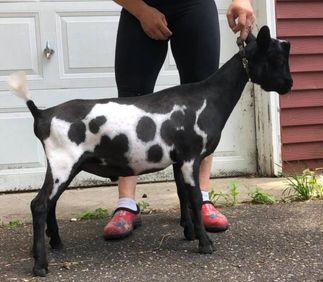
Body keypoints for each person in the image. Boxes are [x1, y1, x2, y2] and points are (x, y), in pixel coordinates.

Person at [103, 0, 255, 240]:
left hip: (194, 6)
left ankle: (201, 199)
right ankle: (126, 203)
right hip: (139, 6)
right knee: (130, 103)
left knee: (204, 106)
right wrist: (141, 11)